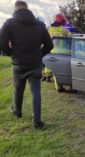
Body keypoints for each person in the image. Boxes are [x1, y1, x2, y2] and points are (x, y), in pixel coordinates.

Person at [0, 1, 53, 129]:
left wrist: (11, 54)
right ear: (27, 9)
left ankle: (17, 112)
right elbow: (50, 45)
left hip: (19, 63)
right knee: (36, 92)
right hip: (35, 63)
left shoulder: (9, 23)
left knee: (18, 89)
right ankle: (37, 122)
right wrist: (39, 55)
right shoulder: (40, 25)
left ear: (15, 9)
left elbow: (1, 43)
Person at [46, 14, 71, 90]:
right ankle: (70, 86)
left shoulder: (49, 29)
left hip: (52, 51)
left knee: (55, 70)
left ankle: (58, 87)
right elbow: (71, 37)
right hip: (63, 52)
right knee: (65, 69)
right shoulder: (64, 29)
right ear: (62, 21)